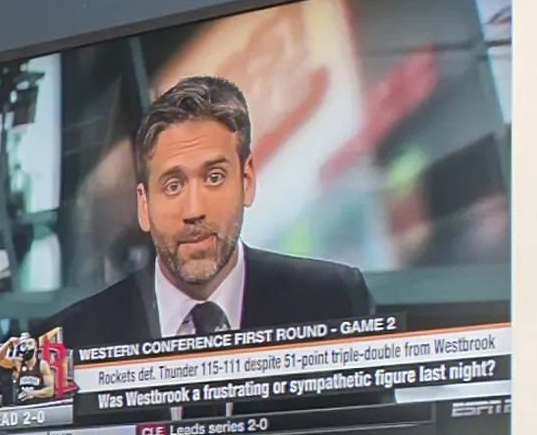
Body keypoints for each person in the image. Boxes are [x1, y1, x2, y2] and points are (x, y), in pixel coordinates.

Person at [52, 76, 374, 347]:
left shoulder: (335, 303)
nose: (194, 211)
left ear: (247, 181)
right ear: (144, 206)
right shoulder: (73, 340)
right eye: (173, 185)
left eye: (214, 177)